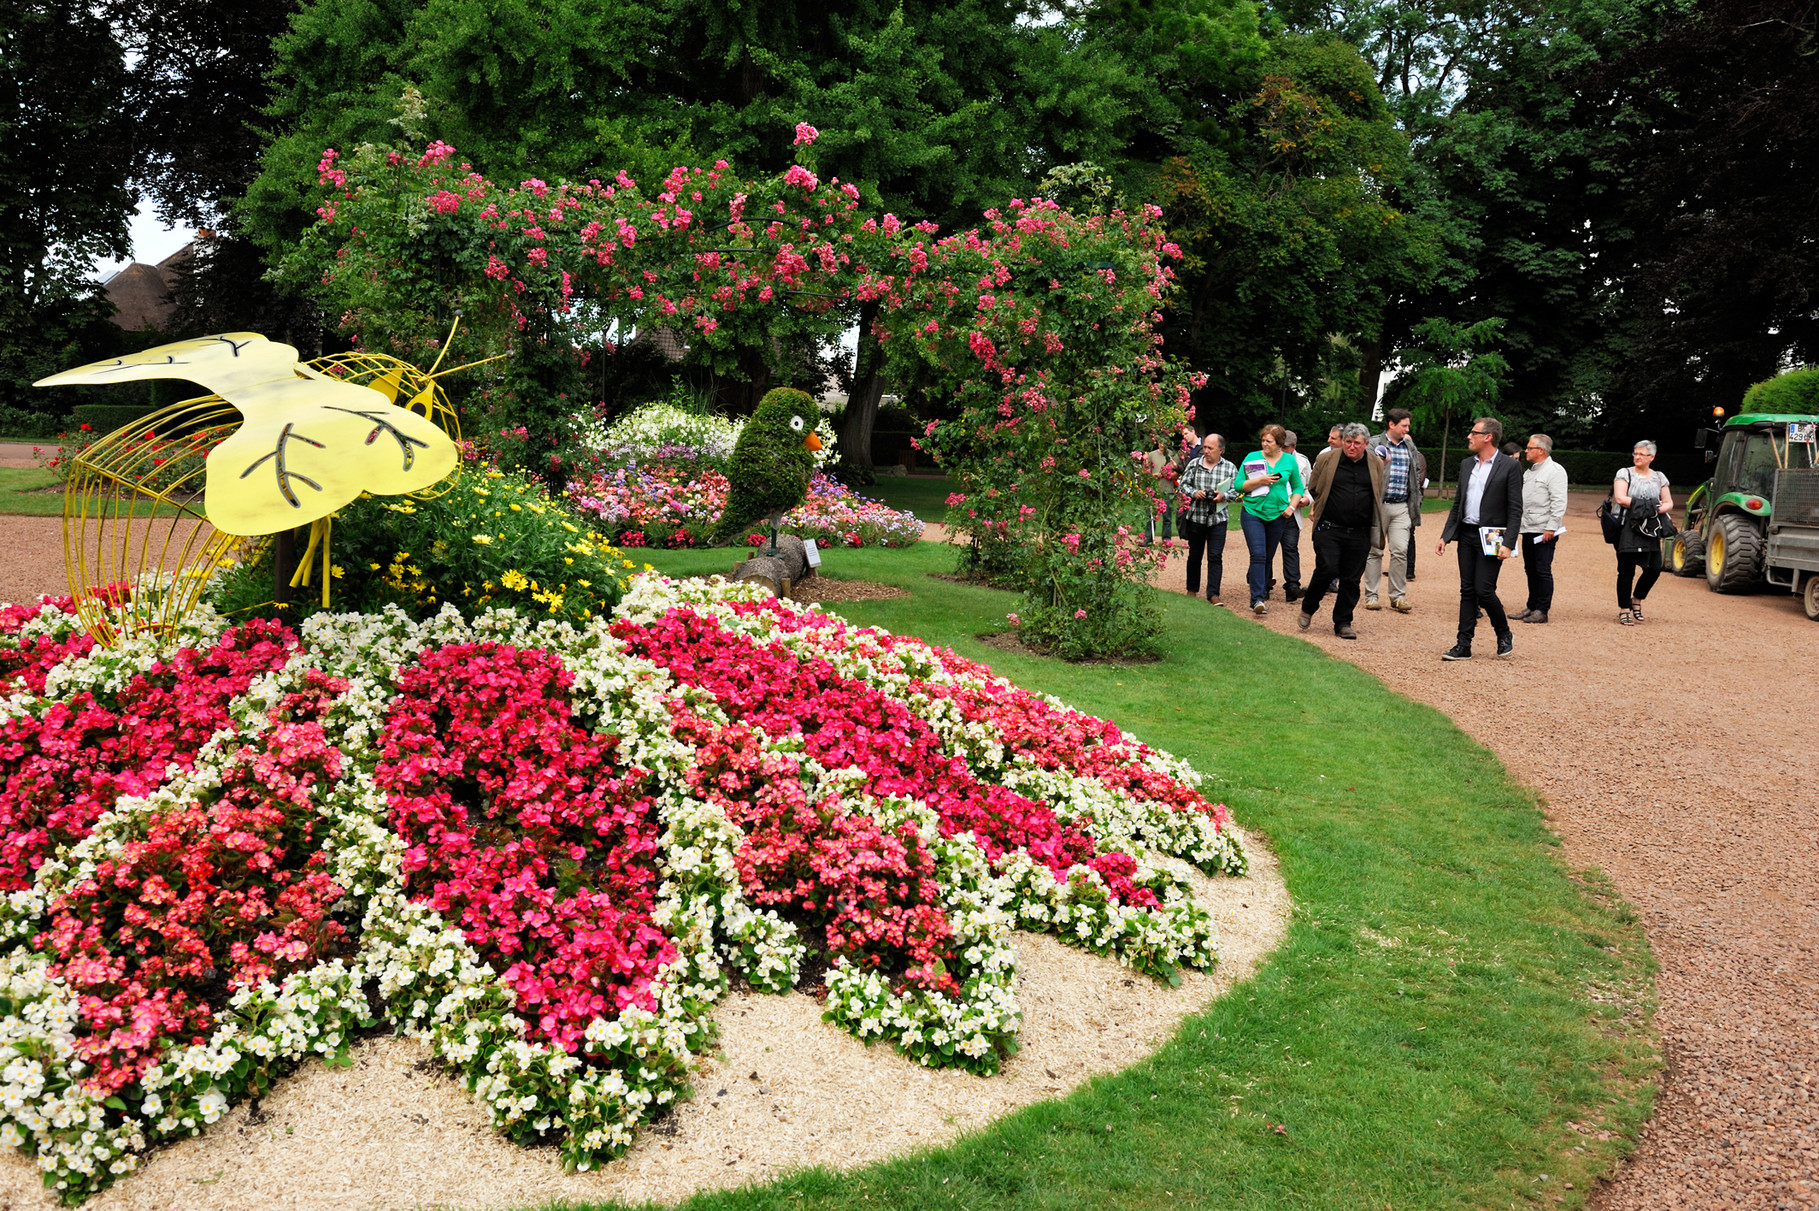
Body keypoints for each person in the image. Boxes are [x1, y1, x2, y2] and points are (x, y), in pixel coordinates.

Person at [1437, 417, 1524, 660]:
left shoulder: (1510, 466)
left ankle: (1503, 632)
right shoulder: (1467, 464)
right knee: (1467, 590)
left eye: (1473, 433)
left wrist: (1508, 543)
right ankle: (1463, 644)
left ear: (1488, 437)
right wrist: (1446, 535)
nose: (1469, 436)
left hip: (1493, 535)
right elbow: (1458, 503)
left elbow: (1515, 509)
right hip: (1466, 533)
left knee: (1484, 590)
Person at [1297, 423, 1387, 638]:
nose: (1351, 447)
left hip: (1360, 531)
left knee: (1351, 578)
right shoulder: (1326, 459)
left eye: (1357, 443)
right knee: (1327, 568)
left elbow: (1377, 491)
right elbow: (1314, 487)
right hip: (1329, 527)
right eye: (1348, 442)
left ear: (1366, 444)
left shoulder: (1375, 463)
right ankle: (1309, 606)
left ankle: (1343, 622)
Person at [1236, 424, 1307, 616]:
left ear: (1280, 443)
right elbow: (1238, 485)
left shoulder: (1289, 461)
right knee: (1258, 555)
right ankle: (1257, 599)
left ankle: (1261, 591)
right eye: (1263, 440)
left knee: (1267, 556)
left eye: (1269, 441)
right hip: (1253, 512)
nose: (1265, 444)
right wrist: (1260, 481)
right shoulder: (1252, 457)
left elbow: (1298, 487)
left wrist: (1291, 507)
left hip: (1278, 515)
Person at [1363, 407, 1425, 613]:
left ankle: (1397, 597)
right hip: (1378, 506)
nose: (1407, 429)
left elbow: (1415, 472)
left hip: (1401, 506)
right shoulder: (1374, 444)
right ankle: (1371, 596)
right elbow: (1366, 471)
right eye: (1404, 425)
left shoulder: (1409, 445)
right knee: (1375, 551)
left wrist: (1416, 500)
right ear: (1391, 424)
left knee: (1400, 551)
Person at [1612, 439, 1673, 625]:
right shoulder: (1624, 473)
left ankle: (1637, 599)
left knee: (1654, 568)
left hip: (1650, 528)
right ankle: (1624, 608)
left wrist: (1652, 509)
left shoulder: (1659, 477)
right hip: (1627, 527)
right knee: (1626, 570)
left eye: (1641, 454)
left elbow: (1668, 502)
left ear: (1651, 457)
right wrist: (1651, 506)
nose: (1637, 457)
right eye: (1635, 453)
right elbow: (1620, 498)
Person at [1513, 433, 1569, 624]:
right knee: (1530, 569)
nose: (1526, 451)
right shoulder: (1530, 472)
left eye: (1530, 448)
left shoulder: (1555, 471)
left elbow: (1559, 502)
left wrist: (1551, 527)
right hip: (1529, 527)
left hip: (1544, 530)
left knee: (1542, 569)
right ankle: (1532, 606)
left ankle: (1542, 610)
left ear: (1541, 450)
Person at [1177, 432, 1236, 604]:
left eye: (1211, 448)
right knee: (1195, 555)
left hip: (1218, 518)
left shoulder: (1230, 467)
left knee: (1215, 556)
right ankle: (1192, 589)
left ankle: (1213, 593)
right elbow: (1183, 485)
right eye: (1205, 447)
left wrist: (1223, 496)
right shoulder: (1194, 464)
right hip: (1196, 516)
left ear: (1221, 450)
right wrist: (1195, 493)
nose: (1206, 451)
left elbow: (1237, 490)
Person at [1276, 430, 1313, 603]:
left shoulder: (1303, 462)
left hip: (1292, 511)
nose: (1281, 450)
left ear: (1293, 447)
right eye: (1280, 446)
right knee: (1267, 549)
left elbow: (1310, 488)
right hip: (1271, 510)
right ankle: (1263, 585)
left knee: (1290, 548)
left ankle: (1292, 586)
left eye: (1285, 447)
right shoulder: (1269, 458)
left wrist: (1306, 500)